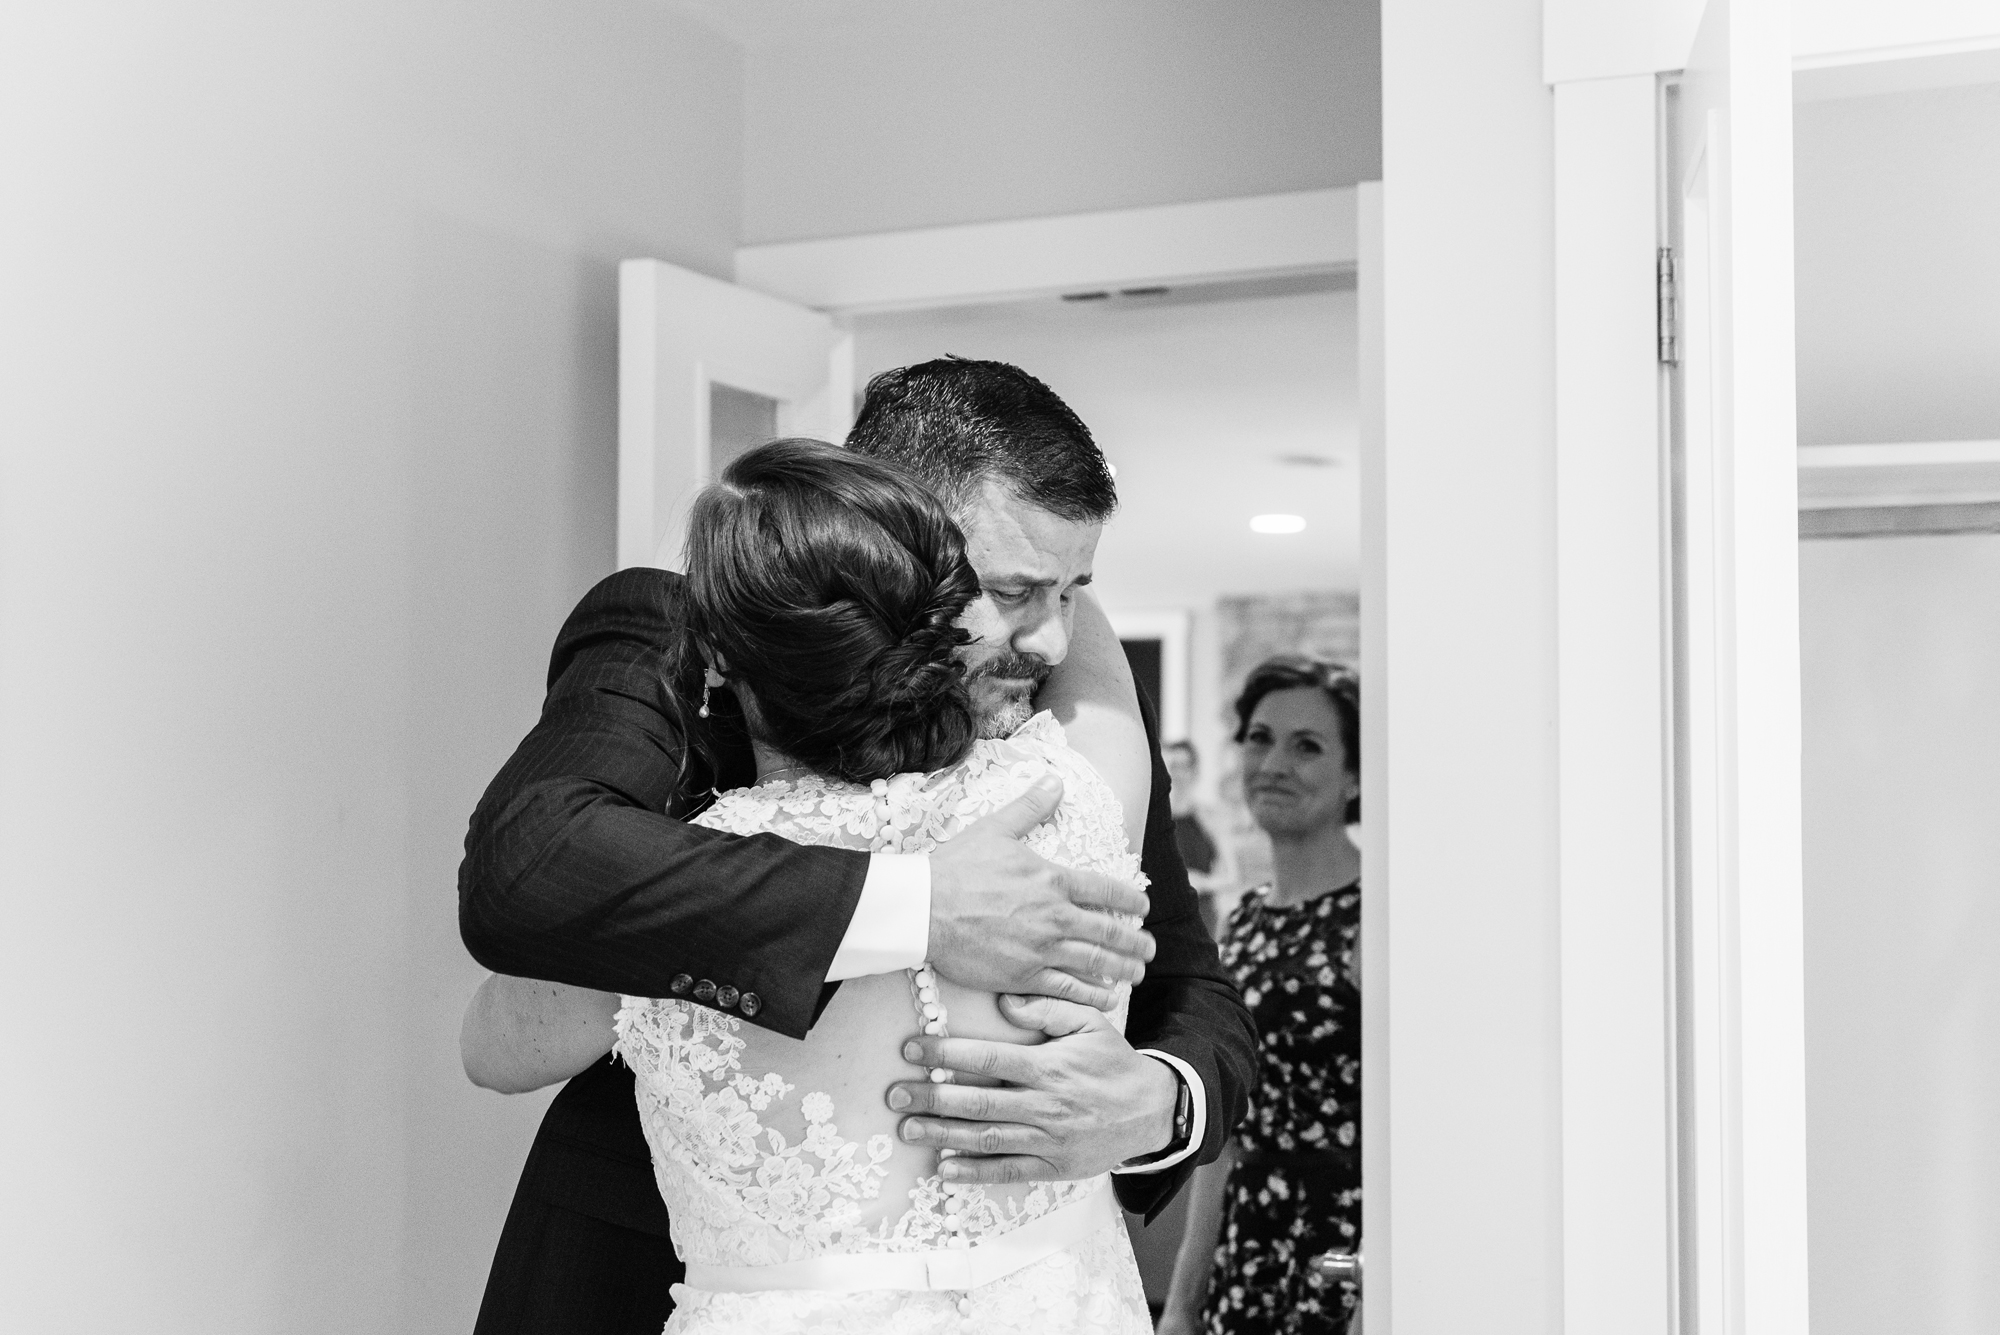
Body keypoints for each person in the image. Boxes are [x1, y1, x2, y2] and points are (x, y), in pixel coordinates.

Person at [457, 358, 1256, 1334]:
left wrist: (1158, 1109)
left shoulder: (1063, 732)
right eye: (1012, 590)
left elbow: (1192, 990)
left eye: (1072, 592)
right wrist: (913, 906)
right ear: (885, 533)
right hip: (642, 1263)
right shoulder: (686, 637)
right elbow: (534, 874)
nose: (1050, 641)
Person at [1158, 657, 1362, 1335]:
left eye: (1307, 745)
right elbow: (1228, 1135)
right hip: (1245, 1248)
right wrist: (1184, 1301)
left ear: (1355, 774)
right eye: (1259, 737)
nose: (1274, 761)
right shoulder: (1243, 920)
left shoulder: (1381, 916)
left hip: (1346, 1252)